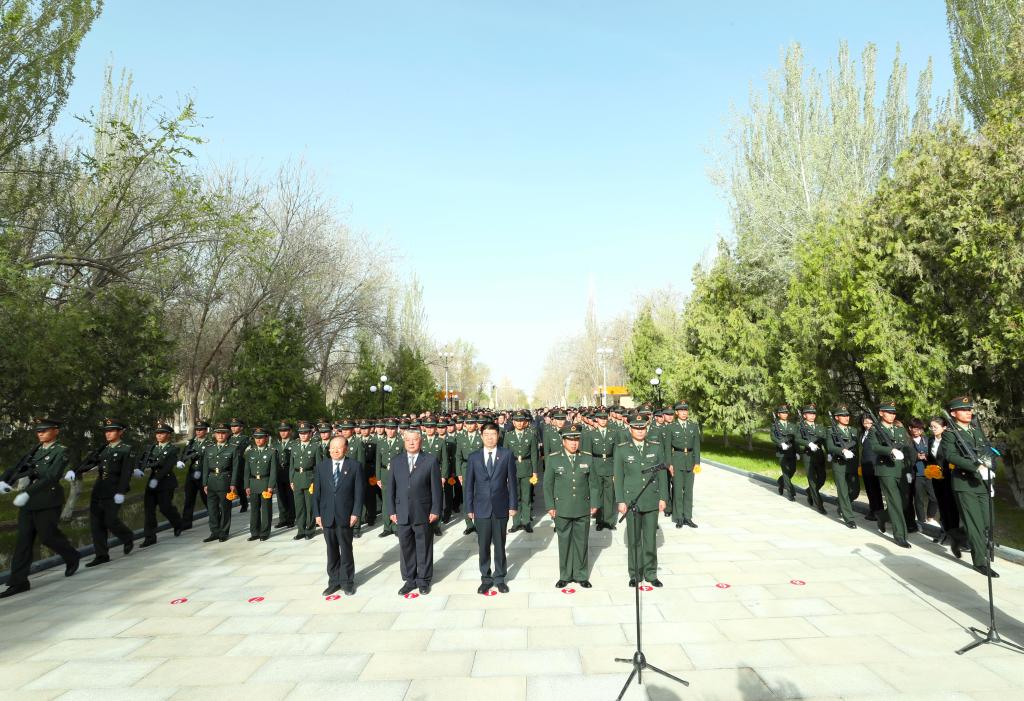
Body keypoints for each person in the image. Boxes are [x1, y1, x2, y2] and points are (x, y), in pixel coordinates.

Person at [0, 418, 81, 598]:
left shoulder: (61, 451)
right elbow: (17, 467)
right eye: (38, 431)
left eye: (45, 430)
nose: (40, 433)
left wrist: (27, 493)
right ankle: (19, 582)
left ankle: (71, 555)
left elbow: (51, 476)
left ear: (56, 431)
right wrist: (4, 480)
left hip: (48, 500)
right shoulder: (35, 450)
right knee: (23, 542)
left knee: (48, 537)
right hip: (29, 503)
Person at [942, 396, 999, 577]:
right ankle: (980, 562)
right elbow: (951, 456)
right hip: (965, 483)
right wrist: (976, 467)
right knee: (975, 524)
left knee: (987, 522)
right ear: (953, 413)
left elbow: (987, 452)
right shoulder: (950, 434)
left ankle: (958, 535)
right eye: (964, 409)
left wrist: (990, 473)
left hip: (982, 482)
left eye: (970, 409)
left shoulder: (976, 431)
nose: (969, 412)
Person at [614, 413, 668, 588]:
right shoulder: (622, 449)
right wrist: (620, 500)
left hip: (652, 499)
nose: (639, 431)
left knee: (650, 539)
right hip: (632, 500)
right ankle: (635, 574)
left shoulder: (656, 447)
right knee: (634, 540)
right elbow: (618, 477)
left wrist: (663, 497)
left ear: (646, 429)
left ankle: (651, 573)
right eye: (636, 428)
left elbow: (662, 474)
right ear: (630, 429)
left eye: (642, 428)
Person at [464, 422, 518, 594]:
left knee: (500, 545)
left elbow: (512, 482)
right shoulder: (474, 457)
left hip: (501, 506)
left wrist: (513, 505)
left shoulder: (506, 454)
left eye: (493, 434)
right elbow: (469, 485)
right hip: (481, 508)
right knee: (483, 545)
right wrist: (469, 508)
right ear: (481, 436)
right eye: (486, 434)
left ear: (498, 436)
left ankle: (500, 578)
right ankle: (486, 578)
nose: (489, 438)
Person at [387, 429, 442, 595]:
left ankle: (423, 580)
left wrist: (435, 509)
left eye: (415, 439)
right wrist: (391, 510)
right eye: (408, 440)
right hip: (402, 511)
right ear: (404, 441)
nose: (411, 443)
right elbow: (390, 488)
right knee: (406, 547)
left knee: (424, 546)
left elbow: (436, 489)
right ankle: (409, 580)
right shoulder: (396, 461)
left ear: (421, 441)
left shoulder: (430, 460)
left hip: (423, 511)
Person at [75, 417, 135, 566]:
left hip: (114, 490)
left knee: (110, 520)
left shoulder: (126, 449)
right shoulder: (104, 449)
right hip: (99, 489)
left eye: (111, 431)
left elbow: (126, 473)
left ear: (120, 432)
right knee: (96, 524)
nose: (108, 434)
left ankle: (127, 536)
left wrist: (121, 492)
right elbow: (90, 463)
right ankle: (101, 555)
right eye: (106, 431)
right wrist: (75, 471)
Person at [544, 422, 596, 588]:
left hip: (582, 506)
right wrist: (550, 506)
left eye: (576, 440)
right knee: (564, 542)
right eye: (570, 440)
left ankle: (581, 575)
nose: (574, 443)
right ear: (563, 441)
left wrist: (595, 503)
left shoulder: (587, 457)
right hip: (562, 508)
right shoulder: (553, 459)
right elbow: (548, 485)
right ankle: (565, 575)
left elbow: (594, 483)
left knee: (581, 542)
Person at [314, 436, 363, 596]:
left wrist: (356, 512)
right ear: (328, 449)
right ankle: (334, 581)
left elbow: (359, 492)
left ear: (346, 449)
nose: (335, 450)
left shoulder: (354, 466)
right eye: (332, 447)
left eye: (339, 447)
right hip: (327, 515)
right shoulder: (321, 467)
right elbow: (317, 493)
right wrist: (317, 514)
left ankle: (347, 582)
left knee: (346, 549)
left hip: (346, 515)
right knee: (331, 550)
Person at [868, 400, 913, 548]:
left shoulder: (899, 429)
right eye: (889, 412)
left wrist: (909, 468)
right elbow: (874, 447)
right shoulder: (875, 429)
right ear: (881, 413)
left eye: (894, 413)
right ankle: (900, 535)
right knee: (894, 501)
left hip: (901, 469)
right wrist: (890, 450)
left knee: (904, 502)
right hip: (886, 469)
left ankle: (882, 516)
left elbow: (907, 448)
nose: (892, 415)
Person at [139, 422, 185, 547]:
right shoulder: (152, 448)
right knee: (149, 510)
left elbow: (167, 466)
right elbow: (142, 460)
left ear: (168, 435)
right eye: (157, 433)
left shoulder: (173, 449)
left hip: (166, 481)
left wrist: (157, 478)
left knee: (165, 507)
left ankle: (177, 523)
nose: (159, 435)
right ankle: (150, 537)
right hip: (152, 481)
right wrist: (138, 468)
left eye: (162, 433)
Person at [928, 416, 966, 551]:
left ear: (944, 428)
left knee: (951, 506)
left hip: (949, 477)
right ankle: (946, 531)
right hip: (936, 478)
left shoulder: (949, 440)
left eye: (935, 427)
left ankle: (955, 535)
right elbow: (932, 458)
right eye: (931, 427)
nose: (933, 429)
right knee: (942, 505)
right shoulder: (931, 440)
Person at [202, 422, 240, 542]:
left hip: (225, 480)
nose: (220, 435)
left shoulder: (233, 448)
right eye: (218, 433)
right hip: (212, 480)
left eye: (223, 433)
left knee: (225, 508)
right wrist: (205, 483)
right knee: (212, 509)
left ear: (228, 434)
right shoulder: (209, 448)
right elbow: (205, 467)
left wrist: (233, 484)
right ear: (214, 434)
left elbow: (235, 468)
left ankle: (223, 532)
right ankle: (214, 531)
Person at [581, 409, 617, 530]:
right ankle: (600, 520)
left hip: (610, 466)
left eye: (605, 418)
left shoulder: (613, 433)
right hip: (596, 466)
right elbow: (587, 454)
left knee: (610, 494)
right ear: (596, 419)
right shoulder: (590, 434)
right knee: (598, 494)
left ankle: (609, 520)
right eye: (601, 418)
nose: (603, 420)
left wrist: (616, 470)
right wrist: (588, 469)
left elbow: (616, 452)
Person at [667, 401, 701, 528]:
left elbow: (696, 446)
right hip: (677, 460)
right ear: (676, 412)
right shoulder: (671, 427)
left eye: (685, 410)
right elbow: (667, 447)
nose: (684, 413)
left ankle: (688, 517)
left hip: (690, 461)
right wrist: (670, 464)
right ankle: (679, 517)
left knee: (689, 490)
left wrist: (697, 463)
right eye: (681, 410)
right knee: (677, 490)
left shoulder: (693, 426)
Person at [824, 405, 859, 528]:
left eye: (847, 415)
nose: (846, 417)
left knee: (855, 491)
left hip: (852, 464)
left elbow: (857, 448)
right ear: (836, 417)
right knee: (843, 491)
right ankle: (849, 518)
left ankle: (842, 503)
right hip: (839, 464)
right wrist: (842, 451)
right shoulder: (831, 430)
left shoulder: (853, 430)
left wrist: (858, 463)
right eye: (843, 415)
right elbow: (830, 446)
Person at [504, 411, 538, 534]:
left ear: (525, 422)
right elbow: (505, 455)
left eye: (521, 421)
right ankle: (516, 522)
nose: (519, 423)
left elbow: (534, 454)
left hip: (527, 468)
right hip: (513, 469)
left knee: (526, 497)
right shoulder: (508, 435)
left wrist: (535, 472)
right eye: (517, 421)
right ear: (513, 422)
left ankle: (526, 522)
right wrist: (505, 472)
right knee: (515, 496)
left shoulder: (531, 434)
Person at [243, 426, 278, 541]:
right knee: (254, 510)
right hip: (253, 483)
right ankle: (254, 532)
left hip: (265, 483)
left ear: (266, 438)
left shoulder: (271, 452)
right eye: (256, 437)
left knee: (266, 510)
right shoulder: (250, 452)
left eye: (261, 437)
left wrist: (270, 486)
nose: (258, 440)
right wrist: (246, 485)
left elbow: (273, 471)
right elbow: (247, 471)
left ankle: (265, 532)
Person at [289, 421, 319, 540]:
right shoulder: (294, 447)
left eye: (305, 433)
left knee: (310, 506)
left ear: (310, 433)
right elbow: (292, 466)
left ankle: (310, 529)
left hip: (309, 478)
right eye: (301, 433)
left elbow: (318, 466)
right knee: (299, 506)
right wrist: (291, 480)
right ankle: (300, 530)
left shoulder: (315, 447)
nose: (303, 435)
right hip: (297, 478)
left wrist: (316, 482)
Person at [795, 404, 827, 515]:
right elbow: (797, 439)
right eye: (809, 413)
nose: (812, 415)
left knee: (822, 478)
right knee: (812, 479)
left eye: (814, 413)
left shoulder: (820, 427)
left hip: (819, 455)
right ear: (804, 415)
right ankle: (819, 504)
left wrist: (829, 453)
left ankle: (809, 491)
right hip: (808, 455)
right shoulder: (800, 426)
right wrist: (808, 443)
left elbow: (825, 440)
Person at [180, 419, 212, 530]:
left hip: (203, 473)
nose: (198, 431)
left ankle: (215, 516)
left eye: (201, 429)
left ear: (206, 430)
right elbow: (184, 454)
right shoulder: (191, 442)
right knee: (189, 498)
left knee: (206, 497)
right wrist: (181, 461)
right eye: (197, 429)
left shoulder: (209, 443)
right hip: (192, 473)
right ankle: (186, 522)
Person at [908, 418, 938, 528]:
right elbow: (904, 458)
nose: (917, 431)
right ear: (910, 428)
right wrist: (916, 456)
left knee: (934, 497)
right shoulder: (907, 441)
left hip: (929, 472)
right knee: (918, 499)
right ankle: (921, 521)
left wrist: (927, 456)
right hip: (916, 474)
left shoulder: (927, 440)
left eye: (919, 429)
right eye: (915, 429)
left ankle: (930, 517)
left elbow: (935, 455)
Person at [455, 417, 483, 535]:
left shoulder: (481, 437)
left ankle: (479, 522)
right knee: (467, 496)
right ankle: (469, 524)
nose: (470, 426)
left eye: (472, 423)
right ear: (465, 425)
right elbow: (458, 457)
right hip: (465, 468)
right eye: (468, 423)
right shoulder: (461, 438)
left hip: (479, 468)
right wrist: (459, 473)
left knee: (479, 495)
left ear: (476, 424)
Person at [375, 419, 402, 538]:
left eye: (393, 428)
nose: (390, 431)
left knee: (396, 499)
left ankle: (396, 526)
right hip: (384, 474)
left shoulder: (401, 442)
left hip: (398, 474)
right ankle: (387, 527)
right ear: (385, 429)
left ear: (396, 429)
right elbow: (378, 461)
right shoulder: (381, 443)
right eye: (388, 428)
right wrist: (378, 477)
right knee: (386, 501)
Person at [859, 414, 884, 520]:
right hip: (865, 464)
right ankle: (872, 509)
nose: (867, 424)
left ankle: (878, 510)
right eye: (865, 422)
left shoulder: (877, 432)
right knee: (869, 488)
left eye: (870, 422)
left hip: (874, 464)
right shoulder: (863, 433)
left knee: (875, 489)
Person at [771, 404, 798, 501]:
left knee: (792, 470)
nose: (785, 414)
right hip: (782, 452)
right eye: (782, 413)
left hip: (791, 451)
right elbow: (773, 437)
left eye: (786, 412)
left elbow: (795, 439)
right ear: (778, 414)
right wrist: (781, 443)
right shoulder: (775, 425)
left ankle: (780, 481)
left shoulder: (792, 426)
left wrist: (798, 451)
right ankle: (791, 493)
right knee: (786, 471)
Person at [274, 421, 295, 530]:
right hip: (278, 473)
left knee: (290, 497)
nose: (283, 433)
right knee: (280, 498)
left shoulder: (294, 443)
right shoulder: (276, 444)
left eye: (285, 430)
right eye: (281, 431)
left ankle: (291, 519)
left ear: (290, 431)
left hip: (289, 472)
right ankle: (283, 519)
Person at [227, 418, 250, 513]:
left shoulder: (244, 438)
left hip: (240, 465)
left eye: (235, 426)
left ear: (241, 427)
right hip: (228, 465)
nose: (233, 428)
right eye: (232, 426)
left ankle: (244, 503)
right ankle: (227, 505)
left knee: (240, 485)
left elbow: (241, 451)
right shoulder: (228, 438)